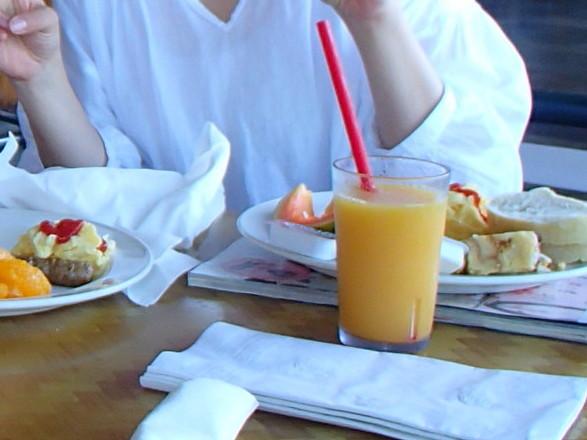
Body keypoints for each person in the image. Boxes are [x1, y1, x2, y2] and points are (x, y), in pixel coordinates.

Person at [0, 0, 531, 213]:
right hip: (170, 319)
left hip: (367, 312)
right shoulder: (96, 8)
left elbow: (475, 195)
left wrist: (375, 19)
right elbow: (94, 202)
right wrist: (40, 81)